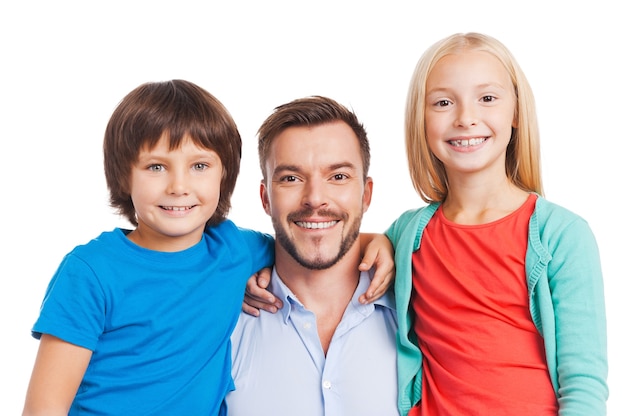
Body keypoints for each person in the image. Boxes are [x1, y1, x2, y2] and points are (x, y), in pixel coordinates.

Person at [22, 80, 393, 416]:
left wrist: (376, 242)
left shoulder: (233, 251)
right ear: (123, 175)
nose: (178, 186)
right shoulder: (91, 272)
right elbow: (44, 407)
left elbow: (312, 240)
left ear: (224, 177)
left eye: (199, 165)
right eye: (155, 167)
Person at [386, 32, 609, 415]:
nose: (466, 118)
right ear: (420, 121)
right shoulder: (405, 236)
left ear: (516, 112)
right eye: (442, 102)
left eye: (487, 98)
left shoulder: (563, 234)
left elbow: (584, 384)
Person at [226, 96, 399, 415]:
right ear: (266, 198)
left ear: (367, 194)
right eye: (291, 178)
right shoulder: (223, 326)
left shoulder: (415, 313)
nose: (315, 199)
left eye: (338, 176)